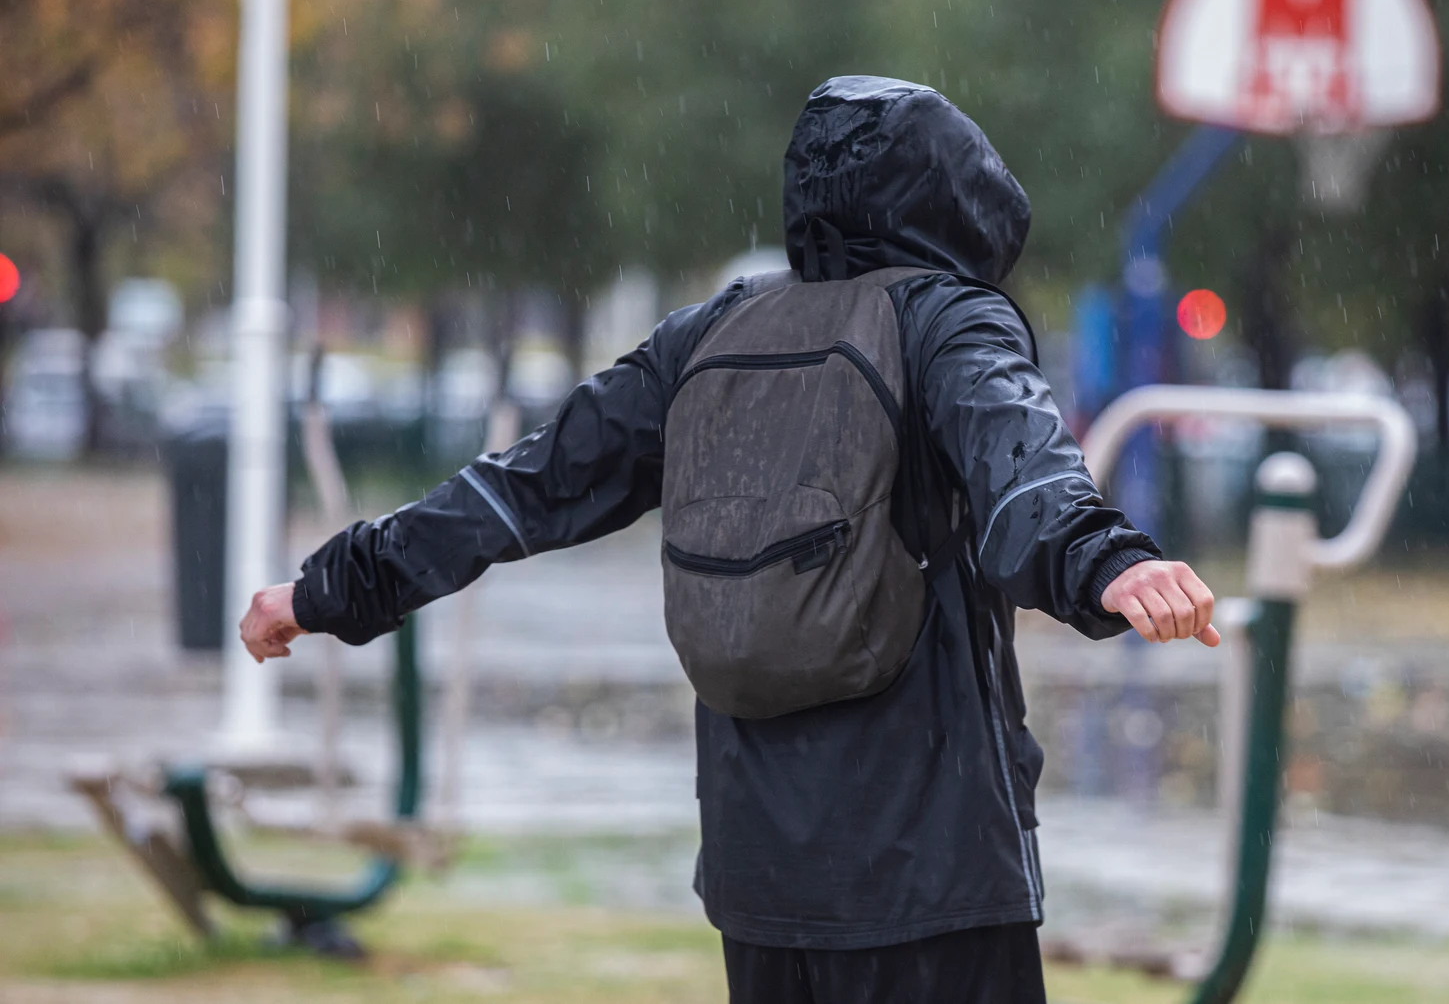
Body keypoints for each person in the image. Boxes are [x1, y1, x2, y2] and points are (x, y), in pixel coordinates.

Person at [240, 75, 1219, 1003]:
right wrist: (1111, 562)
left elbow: (523, 488)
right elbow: (1023, 468)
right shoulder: (943, 319)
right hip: (929, 859)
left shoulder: (709, 332)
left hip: (760, 869)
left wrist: (326, 590)